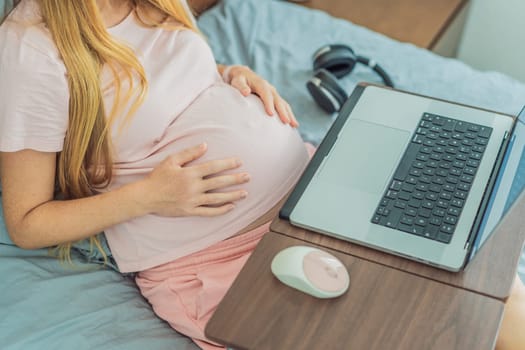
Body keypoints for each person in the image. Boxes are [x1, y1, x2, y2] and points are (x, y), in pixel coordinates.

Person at [0, 1, 522, 349]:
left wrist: (226, 75)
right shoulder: (31, 50)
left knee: (489, 291)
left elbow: (161, 78)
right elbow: (26, 222)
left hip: (312, 189)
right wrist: (148, 196)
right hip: (217, 252)